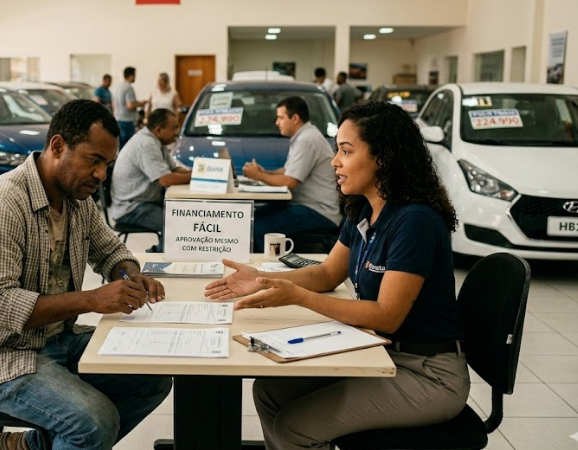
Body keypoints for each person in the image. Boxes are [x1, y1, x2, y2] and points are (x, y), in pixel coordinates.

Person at [205, 101, 467, 450]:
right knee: (269, 390)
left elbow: (387, 316)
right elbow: (328, 273)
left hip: (427, 373)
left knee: (293, 430)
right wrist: (262, 279)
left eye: (346, 151)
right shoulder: (365, 208)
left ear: (383, 158)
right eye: (336, 151)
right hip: (384, 353)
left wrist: (297, 296)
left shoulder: (414, 221)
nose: (335, 162)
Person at [0, 99, 172, 450]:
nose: (101, 175)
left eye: (107, 164)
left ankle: (31, 446)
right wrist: (93, 300)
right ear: (58, 146)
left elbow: (111, 250)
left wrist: (129, 274)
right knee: (94, 422)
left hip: (55, 338)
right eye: (93, 160)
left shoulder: (76, 197)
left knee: (152, 379)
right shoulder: (1, 205)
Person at [243, 96, 340, 253]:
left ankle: (266, 268)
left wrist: (258, 176)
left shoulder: (307, 140)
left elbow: (290, 182)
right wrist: (263, 172)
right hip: (305, 204)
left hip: (319, 210)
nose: (277, 122)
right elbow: (288, 171)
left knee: (259, 227)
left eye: (281, 117)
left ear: (295, 118)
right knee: (253, 216)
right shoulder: (303, 136)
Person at [110, 108, 191, 249]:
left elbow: (173, 169)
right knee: (175, 222)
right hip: (130, 207)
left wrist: (197, 173)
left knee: (183, 211)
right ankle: (156, 257)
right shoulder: (147, 144)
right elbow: (166, 179)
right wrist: (197, 176)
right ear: (159, 130)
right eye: (174, 128)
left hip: (143, 199)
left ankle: (164, 252)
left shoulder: (157, 142)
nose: (177, 132)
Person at [113, 66, 148, 149]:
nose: (135, 77)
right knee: (128, 146)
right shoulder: (128, 87)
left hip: (118, 119)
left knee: (120, 146)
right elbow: (130, 105)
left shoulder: (118, 87)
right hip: (127, 121)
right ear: (131, 75)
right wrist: (141, 104)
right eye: (134, 75)